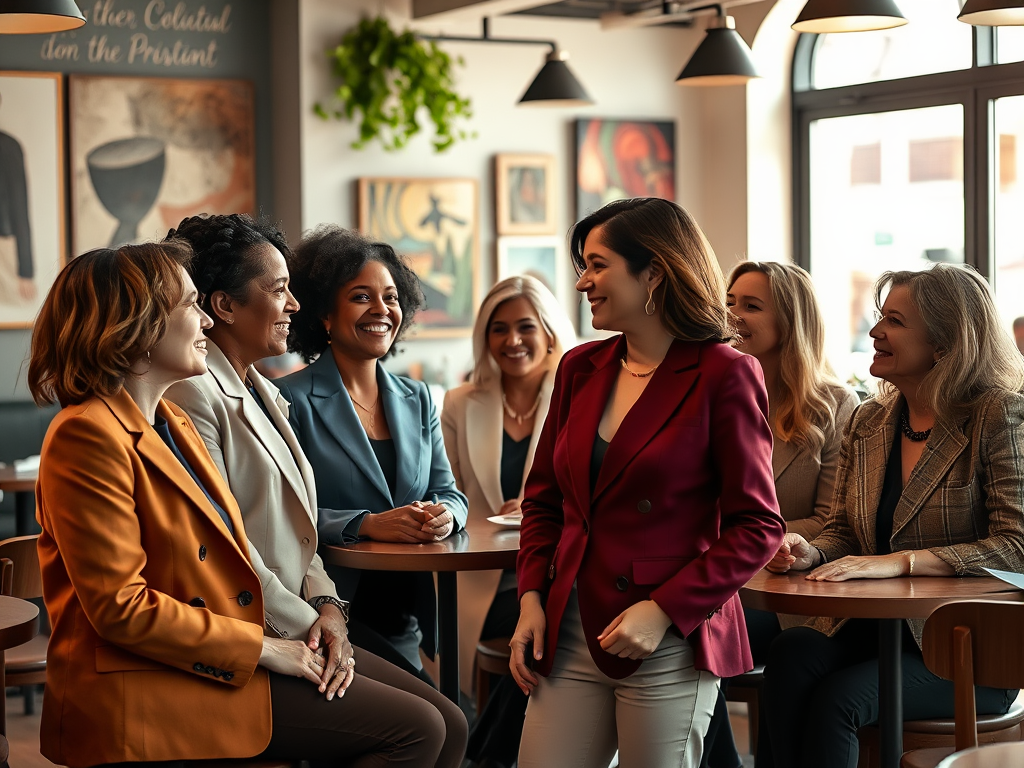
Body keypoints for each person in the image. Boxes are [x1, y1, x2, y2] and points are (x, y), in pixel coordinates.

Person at [29, 242, 462, 768]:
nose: (207, 323)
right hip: (146, 679)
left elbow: (227, 550)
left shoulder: (174, 424)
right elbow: (122, 609)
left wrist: (320, 616)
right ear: (137, 326)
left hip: (218, 644)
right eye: (191, 306)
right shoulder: (87, 436)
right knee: (419, 730)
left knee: (449, 723)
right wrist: (266, 648)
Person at [161, 213, 466, 767]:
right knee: (423, 729)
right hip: (252, 632)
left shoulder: (264, 392)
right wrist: (320, 624)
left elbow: (298, 531)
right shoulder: (196, 396)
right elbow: (226, 545)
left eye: (392, 296)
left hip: (321, 613)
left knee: (452, 722)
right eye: (279, 290)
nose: (293, 303)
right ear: (225, 306)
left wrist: (326, 606)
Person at [510, 198, 786, 768]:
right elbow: (542, 500)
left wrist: (661, 610)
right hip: (567, 631)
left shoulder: (725, 373)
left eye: (598, 263)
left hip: (669, 642)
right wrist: (531, 597)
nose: (582, 281)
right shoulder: (579, 367)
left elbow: (758, 526)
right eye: (582, 265)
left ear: (654, 271)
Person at [761, 263, 1024, 768]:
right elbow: (842, 529)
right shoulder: (870, 418)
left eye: (895, 321)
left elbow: (1015, 544)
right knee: (791, 653)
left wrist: (901, 561)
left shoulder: (998, 415)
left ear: (945, 345)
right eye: (880, 317)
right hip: (870, 631)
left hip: (968, 651)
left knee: (839, 699)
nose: (875, 331)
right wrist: (809, 551)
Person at [277, 224, 468, 680]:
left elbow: (449, 490)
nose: (381, 310)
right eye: (362, 297)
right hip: (330, 612)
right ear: (324, 312)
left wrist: (446, 515)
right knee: (441, 724)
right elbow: (283, 515)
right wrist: (366, 524)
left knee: (442, 723)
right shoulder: (287, 398)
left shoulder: (418, 397)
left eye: (391, 297)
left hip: (408, 610)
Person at [701, 261, 860, 768]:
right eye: (730, 302)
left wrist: (746, 539)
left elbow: (832, 518)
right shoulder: (709, 392)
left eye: (752, 305)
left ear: (790, 320)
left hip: (789, 591)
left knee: (697, 638)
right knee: (682, 641)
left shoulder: (836, 405)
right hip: (714, 579)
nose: (734, 314)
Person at [441, 275, 576, 767]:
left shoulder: (580, 392)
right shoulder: (460, 402)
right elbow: (449, 489)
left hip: (555, 567)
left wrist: (543, 507)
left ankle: (482, 755)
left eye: (525, 327)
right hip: (481, 572)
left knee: (551, 631)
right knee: (543, 634)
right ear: (485, 337)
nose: (513, 341)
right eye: (499, 329)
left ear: (549, 332)